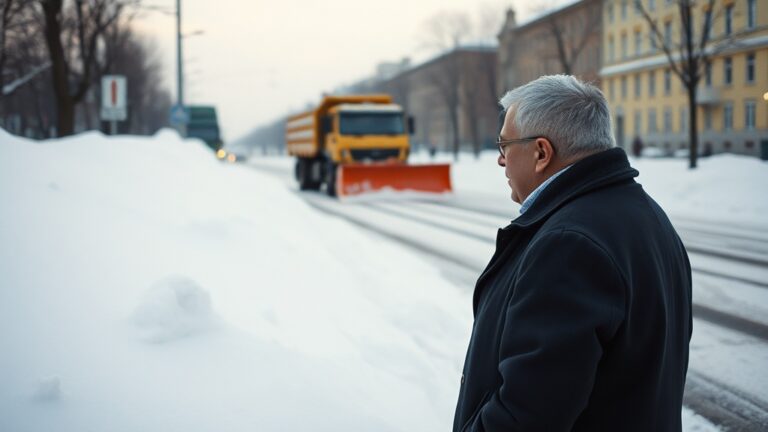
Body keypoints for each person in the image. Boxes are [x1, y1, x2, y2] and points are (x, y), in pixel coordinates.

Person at [453, 75, 692, 432]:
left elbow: (526, 415)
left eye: (504, 145)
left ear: (541, 153)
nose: (501, 160)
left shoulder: (568, 245)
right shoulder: (648, 216)